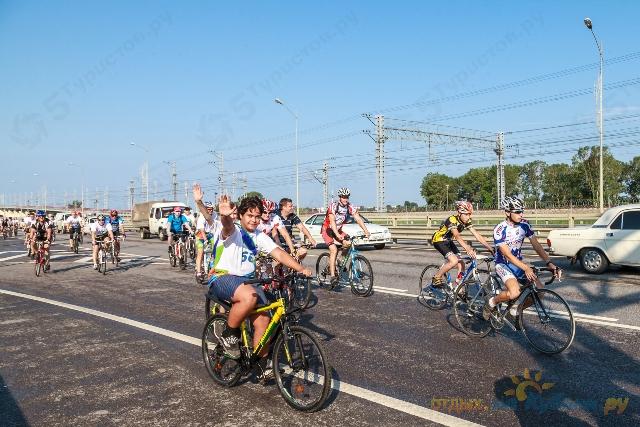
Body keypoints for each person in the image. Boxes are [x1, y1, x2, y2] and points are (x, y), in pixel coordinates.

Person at [193, 184, 312, 364]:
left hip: (247, 282)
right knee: (250, 297)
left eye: (257, 216)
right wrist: (225, 216)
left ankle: (261, 365)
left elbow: (279, 253)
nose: (254, 220)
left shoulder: (259, 236)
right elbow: (226, 226)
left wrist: (301, 269)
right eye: (250, 215)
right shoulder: (234, 230)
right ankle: (229, 335)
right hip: (223, 277)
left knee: (264, 320)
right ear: (240, 215)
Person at [483, 196, 561, 323]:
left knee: (540, 291)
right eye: (518, 212)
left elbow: (536, 245)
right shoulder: (500, 229)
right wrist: (526, 268)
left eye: (522, 211)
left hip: (517, 264)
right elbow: (507, 255)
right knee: (514, 292)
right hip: (503, 264)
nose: (521, 214)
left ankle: (515, 310)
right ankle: (491, 302)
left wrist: (549, 262)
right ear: (507, 212)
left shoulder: (525, 224)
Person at [430, 201, 494, 287]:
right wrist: (467, 248)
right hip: (439, 240)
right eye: (466, 214)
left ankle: (458, 287)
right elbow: (457, 236)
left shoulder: (466, 221)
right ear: (459, 213)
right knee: (454, 261)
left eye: (470, 214)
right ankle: (436, 277)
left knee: (461, 264)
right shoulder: (452, 220)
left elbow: (477, 235)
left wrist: (490, 248)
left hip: (449, 241)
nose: (468, 217)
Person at [320, 187, 370, 286]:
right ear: (340, 197)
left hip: (338, 230)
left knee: (348, 243)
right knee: (334, 249)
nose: (345, 199)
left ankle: (339, 260)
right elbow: (332, 221)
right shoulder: (334, 206)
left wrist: (366, 231)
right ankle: (333, 276)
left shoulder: (350, 207)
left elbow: (358, 219)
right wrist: (337, 234)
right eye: (343, 197)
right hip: (327, 230)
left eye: (347, 197)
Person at [195, 201, 219, 282]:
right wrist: (205, 240)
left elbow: (216, 227)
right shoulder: (202, 216)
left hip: (210, 234)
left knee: (215, 250)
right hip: (201, 235)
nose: (210, 211)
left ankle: (213, 267)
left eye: (211, 209)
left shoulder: (215, 214)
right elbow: (201, 230)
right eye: (208, 209)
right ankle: (198, 272)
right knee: (200, 252)